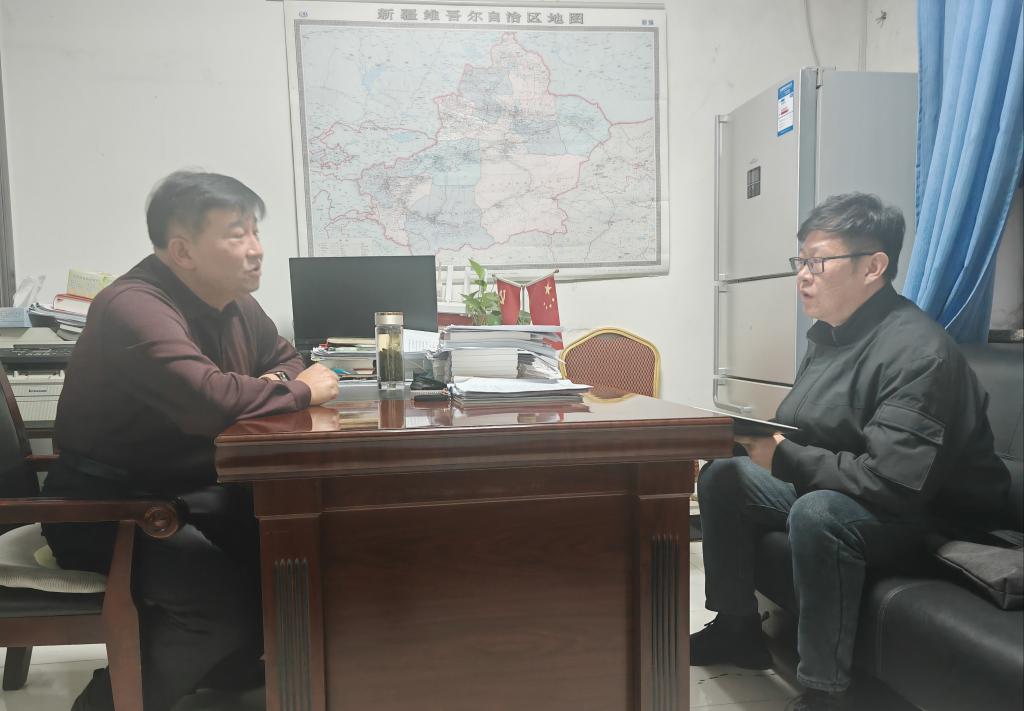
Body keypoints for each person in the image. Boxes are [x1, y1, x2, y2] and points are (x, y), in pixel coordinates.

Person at [691, 193, 1009, 711]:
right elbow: (807, 428)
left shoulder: (918, 352)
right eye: (800, 262)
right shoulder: (832, 335)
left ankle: (826, 691)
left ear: (874, 267)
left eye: (818, 263)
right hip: (862, 492)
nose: (803, 276)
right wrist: (747, 440)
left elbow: (893, 484)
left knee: (820, 513)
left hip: (932, 516)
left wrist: (783, 457)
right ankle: (736, 629)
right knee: (725, 474)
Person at [41, 170, 340, 711]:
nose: (256, 249)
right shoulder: (134, 306)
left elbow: (286, 359)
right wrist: (295, 391)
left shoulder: (235, 302)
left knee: (305, 557)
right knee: (219, 606)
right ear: (182, 250)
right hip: (104, 509)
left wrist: (274, 382)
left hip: (189, 492)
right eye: (236, 234)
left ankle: (230, 671)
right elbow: (209, 402)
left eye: (255, 232)